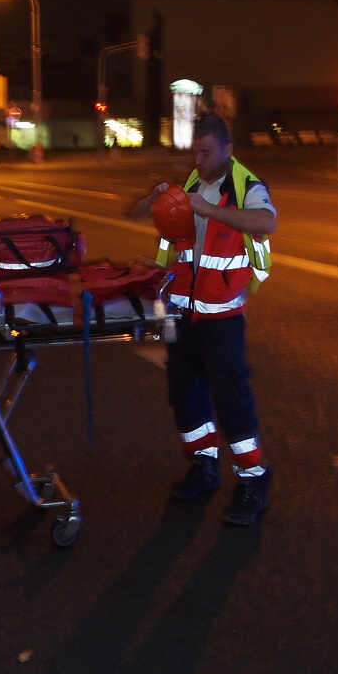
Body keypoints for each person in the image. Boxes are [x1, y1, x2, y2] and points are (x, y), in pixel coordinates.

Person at [129, 113, 276, 526]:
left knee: (232, 401)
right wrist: (154, 197)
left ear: (228, 150)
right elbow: (133, 212)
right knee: (186, 395)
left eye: (206, 152)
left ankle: (253, 481)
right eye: (194, 152)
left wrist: (210, 209)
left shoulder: (247, 186)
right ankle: (203, 465)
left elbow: (266, 222)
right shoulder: (191, 184)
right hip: (182, 313)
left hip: (223, 317)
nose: (198, 160)